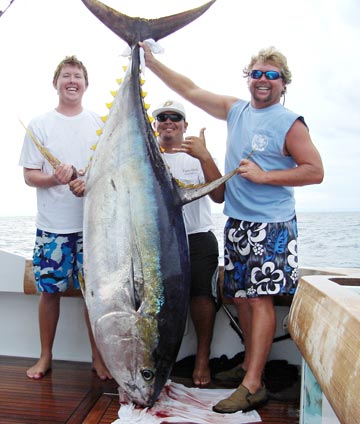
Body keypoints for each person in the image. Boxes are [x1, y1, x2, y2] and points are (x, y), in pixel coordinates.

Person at [139, 42, 324, 413]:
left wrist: (265, 175)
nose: (263, 80)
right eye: (256, 73)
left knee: (259, 299)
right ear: (248, 78)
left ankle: (252, 384)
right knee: (240, 297)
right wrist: (150, 62)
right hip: (237, 223)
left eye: (272, 75)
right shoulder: (235, 111)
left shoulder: (290, 122)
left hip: (271, 225)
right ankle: (247, 366)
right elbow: (189, 89)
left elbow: (314, 170)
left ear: (283, 84)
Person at [19, 55, 112, 381]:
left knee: (95, 297)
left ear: (86, 84)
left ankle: (98, 358)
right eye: (66, 76)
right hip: (52, 227)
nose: (72, 81)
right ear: (56, 83)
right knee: (49, 292)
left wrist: (88, 181)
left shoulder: (100, 124)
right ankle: (45, 356)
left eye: (78, 76)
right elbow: (30, 176)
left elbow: (107, 174)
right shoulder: (40, 124)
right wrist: (54, 179)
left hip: (92, 227)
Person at [152, 99, 224, 387]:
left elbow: (219, 197)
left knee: (201, 298)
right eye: (163, 118)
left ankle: (202, 356)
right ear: (155, 125)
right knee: (156, 302)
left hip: (197, 237)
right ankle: (157, 359)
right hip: (158, 244)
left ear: (185, 125)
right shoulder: (148, 157)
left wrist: (206, 156)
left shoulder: (197, 156)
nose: (169, 122)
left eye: (175, 118)